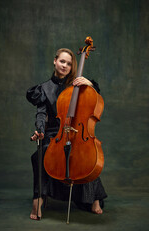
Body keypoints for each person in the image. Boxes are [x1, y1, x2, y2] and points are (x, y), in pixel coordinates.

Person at [26, 48, 107, 220]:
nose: (65, 66)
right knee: (39, 155)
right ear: (55, 61)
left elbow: (93, 99)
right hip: (55, 134)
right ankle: (39, 198)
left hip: (77, 132)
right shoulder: (44, 88)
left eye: (69, 64)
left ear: (72, 67)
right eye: (62, 61)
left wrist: (89, 85)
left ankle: (94, 197)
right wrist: (40, 130)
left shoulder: (77, 85)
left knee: (84, 155)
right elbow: (41, 113)